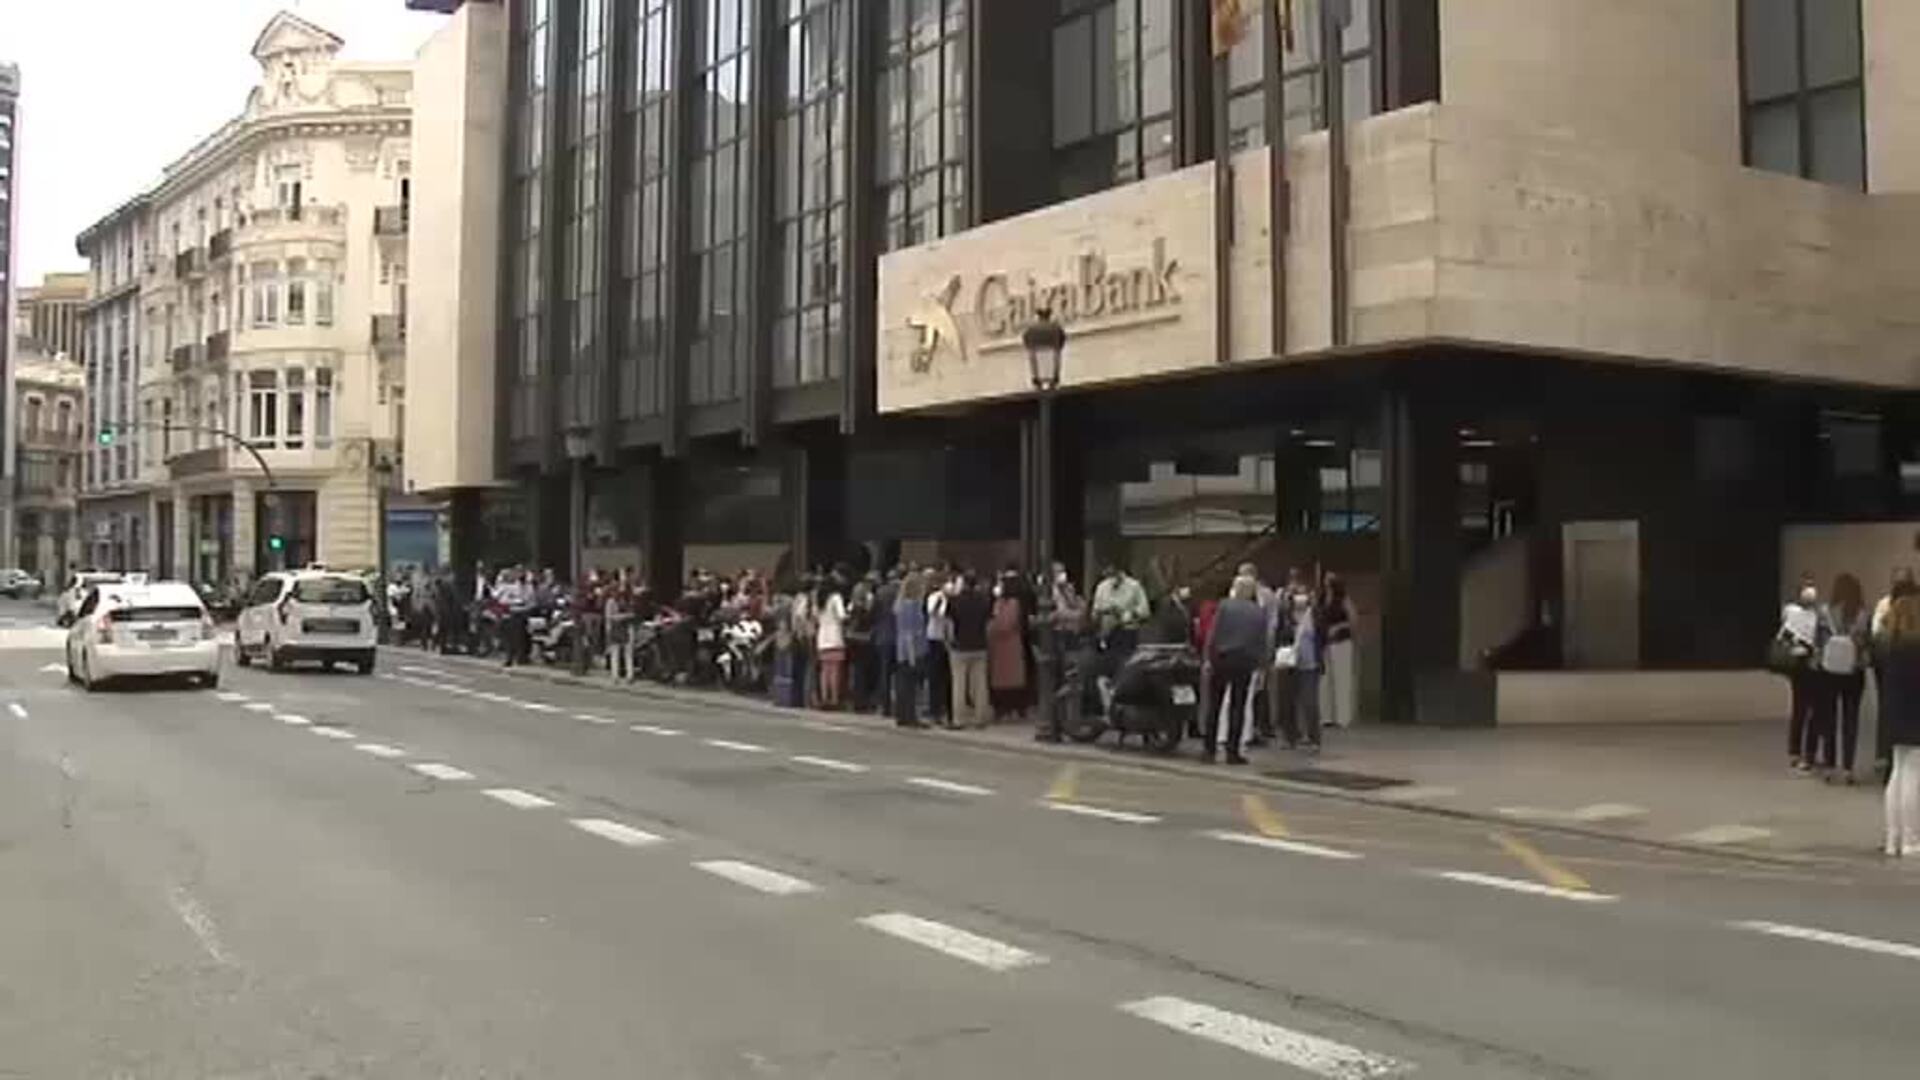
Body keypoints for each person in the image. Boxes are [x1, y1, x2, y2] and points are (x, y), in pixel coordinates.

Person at [1203, 576, 1267, 765]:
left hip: (1222, 658)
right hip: (1245, 662)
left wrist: (1208, 657)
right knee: (1238, 707)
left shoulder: (1224, 606)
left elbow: (1213, 633)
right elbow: (1262, 640)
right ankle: (1233, 751)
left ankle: (1209, 749)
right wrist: (1262, 663)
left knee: (1215, 704)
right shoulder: (1258, 612)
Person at [1876, 592, 1920, 857]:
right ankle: (1911, 839)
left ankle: (1893, 836)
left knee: (1898, 774)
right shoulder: (1916, 647)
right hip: (1915, 715)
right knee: (1914, 775)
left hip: (1894, 714)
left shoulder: (1889, 645)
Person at [1818, 573, 1871, 783]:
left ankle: (1830, 766)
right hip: (1853, 672)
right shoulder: (1863, 615)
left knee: (1829, 719)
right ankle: (1848, 768)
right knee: (1851, 720)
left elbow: (1818, 641)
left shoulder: (1826, 612)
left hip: (1829, 671)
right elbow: (1867, 644)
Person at [1777, 575, 1824, 775]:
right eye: (1806, 588)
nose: (1810, 592)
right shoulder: (1792, 613)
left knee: (1814, 711)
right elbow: (1783, 638)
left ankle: (1809, 753)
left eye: (1812, 588)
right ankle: (1797, 751)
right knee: (1800, 710)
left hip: (1815, 666)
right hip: (1799, 666)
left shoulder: (1819, 614)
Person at [1276, 574, 1323, 752]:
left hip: (1309, 664)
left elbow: (1321, 637)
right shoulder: (1286, 615)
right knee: (1287, 701)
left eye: (1302, 593)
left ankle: (1313, 738)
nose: (1299, 597)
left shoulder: (1315, 614)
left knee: (1310, 702)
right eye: (1295, 593)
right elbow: (1279, 635)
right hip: (1289, 663)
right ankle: (1290, 737)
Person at [947, 572, 992, 729]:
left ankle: (959, 718)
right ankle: (981, 717)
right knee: (980, 683)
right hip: (979, 645)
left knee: (959, 683)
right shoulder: (983, 600)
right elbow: (988, 621)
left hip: (960, 645)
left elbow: (950, 622)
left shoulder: (955, 601)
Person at [988, 569, 1034, 722]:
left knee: (1004, 677)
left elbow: (1004, 623)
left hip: (1004, 645)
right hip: (1011, 644)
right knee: (1012, 677)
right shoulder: (1008, 603)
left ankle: (1005, 708)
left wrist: (992, 627)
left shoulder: (1009, 604)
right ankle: (1015, 707)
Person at [1319, 574, 1358, 729]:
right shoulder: (1322, 600)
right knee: (1324, 680)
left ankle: (1343, 717)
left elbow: (1353, 620)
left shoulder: (1343, 600)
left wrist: (1339, 627)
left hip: (1341, 641)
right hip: (1325, 643)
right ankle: (1326, 716)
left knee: (1342, 678)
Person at [892, 573, 930, 727]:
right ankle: (911, 716)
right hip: (913, 650)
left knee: (903, 683)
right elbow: (911, 633)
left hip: (902, 650)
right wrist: (913, 655)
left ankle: (902, 715)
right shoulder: (912, 606)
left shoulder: (900, 606)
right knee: (911, 685)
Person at [924, 569, 953, 727]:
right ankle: (934, 709)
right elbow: (933, 613)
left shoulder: (952, 599)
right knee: (935, 676)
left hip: (947, 639)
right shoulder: (934, 598)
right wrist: (942, 601)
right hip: (935, 638)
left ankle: (942, 708)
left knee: (945, 677)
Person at [815, 576, 849, 709]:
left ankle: (824, 697)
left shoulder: (819, 600)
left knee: (825, 670)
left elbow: (816, 617)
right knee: (835, 670)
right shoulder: (835, 598)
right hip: (834, 636)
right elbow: (841, 616)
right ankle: (834, 699)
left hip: (822, 637)